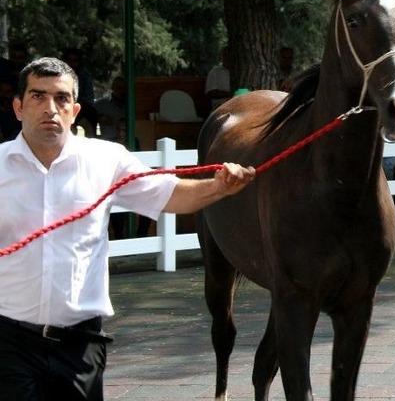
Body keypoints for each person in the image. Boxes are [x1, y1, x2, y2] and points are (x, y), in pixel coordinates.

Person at [0, 57, 256, 400]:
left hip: (80, 345)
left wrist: (220, 186)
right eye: (37, 96)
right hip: (9, 345)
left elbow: (172, 195)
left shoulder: (107, 160)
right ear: (18, 107)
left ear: (75, 110)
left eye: (61, 98)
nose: (50, 108)